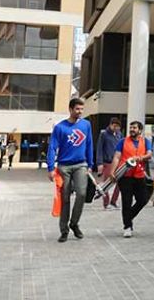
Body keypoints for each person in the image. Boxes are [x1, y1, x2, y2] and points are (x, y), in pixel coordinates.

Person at [47, 98, 94, 243]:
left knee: (82, 193)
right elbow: (52, 147)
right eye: (77, 109)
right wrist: (50, 168)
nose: (80, 112)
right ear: (70, 109)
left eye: (82, 109)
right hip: (64, 166)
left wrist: (90, 164)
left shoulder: (86, 125)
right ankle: (64, 230)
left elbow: (89, 144)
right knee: (65, 198)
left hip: (81, 165)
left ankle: (74, 223)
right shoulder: (60, 127)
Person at [109, 121, 152, 238]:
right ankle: (127, 226)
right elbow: (117, 157)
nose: (132, 129)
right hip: (125, 176)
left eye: (134, 128)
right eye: (131, 127)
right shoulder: (122, 141)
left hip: (139, 175)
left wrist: (140, 158)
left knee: (143, 199)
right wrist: (112, 171)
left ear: (140, 130)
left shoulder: (146, 141)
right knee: (126, 201)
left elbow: (149, 154)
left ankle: (129, 216)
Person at [97, 117, 122, 209]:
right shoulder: (104, 134)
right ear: (110, 125)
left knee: (120, 183)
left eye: (117, 126)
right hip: (107, 162)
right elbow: (99, 149)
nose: (116, 128)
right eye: (114, 126)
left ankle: (113, 201)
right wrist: (99, 163)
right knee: (107, 183)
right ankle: (106, 203)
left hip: (118, 162)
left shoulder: (119, 134)